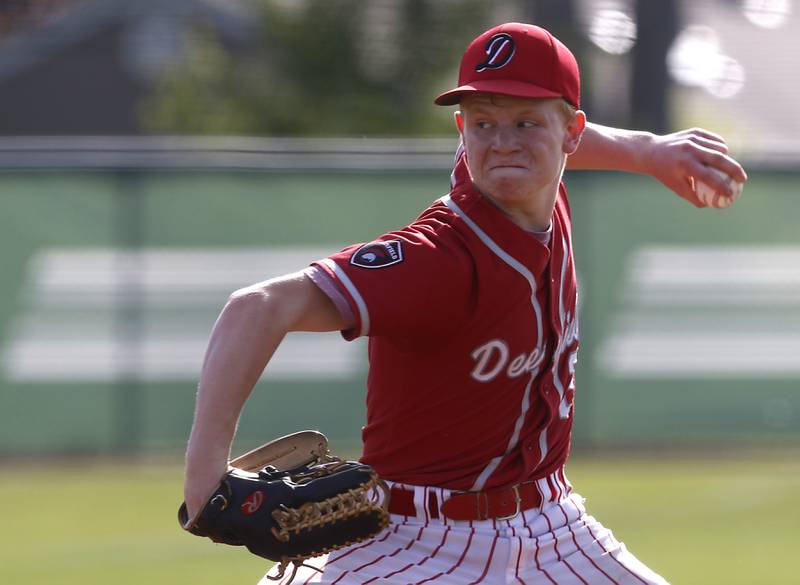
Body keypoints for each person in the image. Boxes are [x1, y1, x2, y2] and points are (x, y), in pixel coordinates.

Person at [184, 22, 746, 584]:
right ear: (462, 131)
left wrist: (649, 150)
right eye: (482, 124)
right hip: (412, 540)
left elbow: (536, 130)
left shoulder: (538, 188)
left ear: (571, 133)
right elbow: (255, 307)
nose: (502, 142)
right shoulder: (438, 258)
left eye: (525, 122)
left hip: (555, 527)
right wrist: (205, 482)